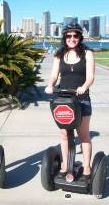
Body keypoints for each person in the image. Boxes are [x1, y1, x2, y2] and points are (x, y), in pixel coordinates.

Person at [45, 23, 95, 180]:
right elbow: (54, 75)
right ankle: (65, 165)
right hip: (64, 99)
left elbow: (90, 77)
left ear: (80, 37)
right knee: (64, 134)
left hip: (81, 99)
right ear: (64, 37)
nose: (72, 39)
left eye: (75, 36)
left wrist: (84, 87)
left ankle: (87, 166)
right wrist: (50, 84)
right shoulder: (59, 55)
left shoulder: (87, 53)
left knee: (83, 135)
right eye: (68, 36)